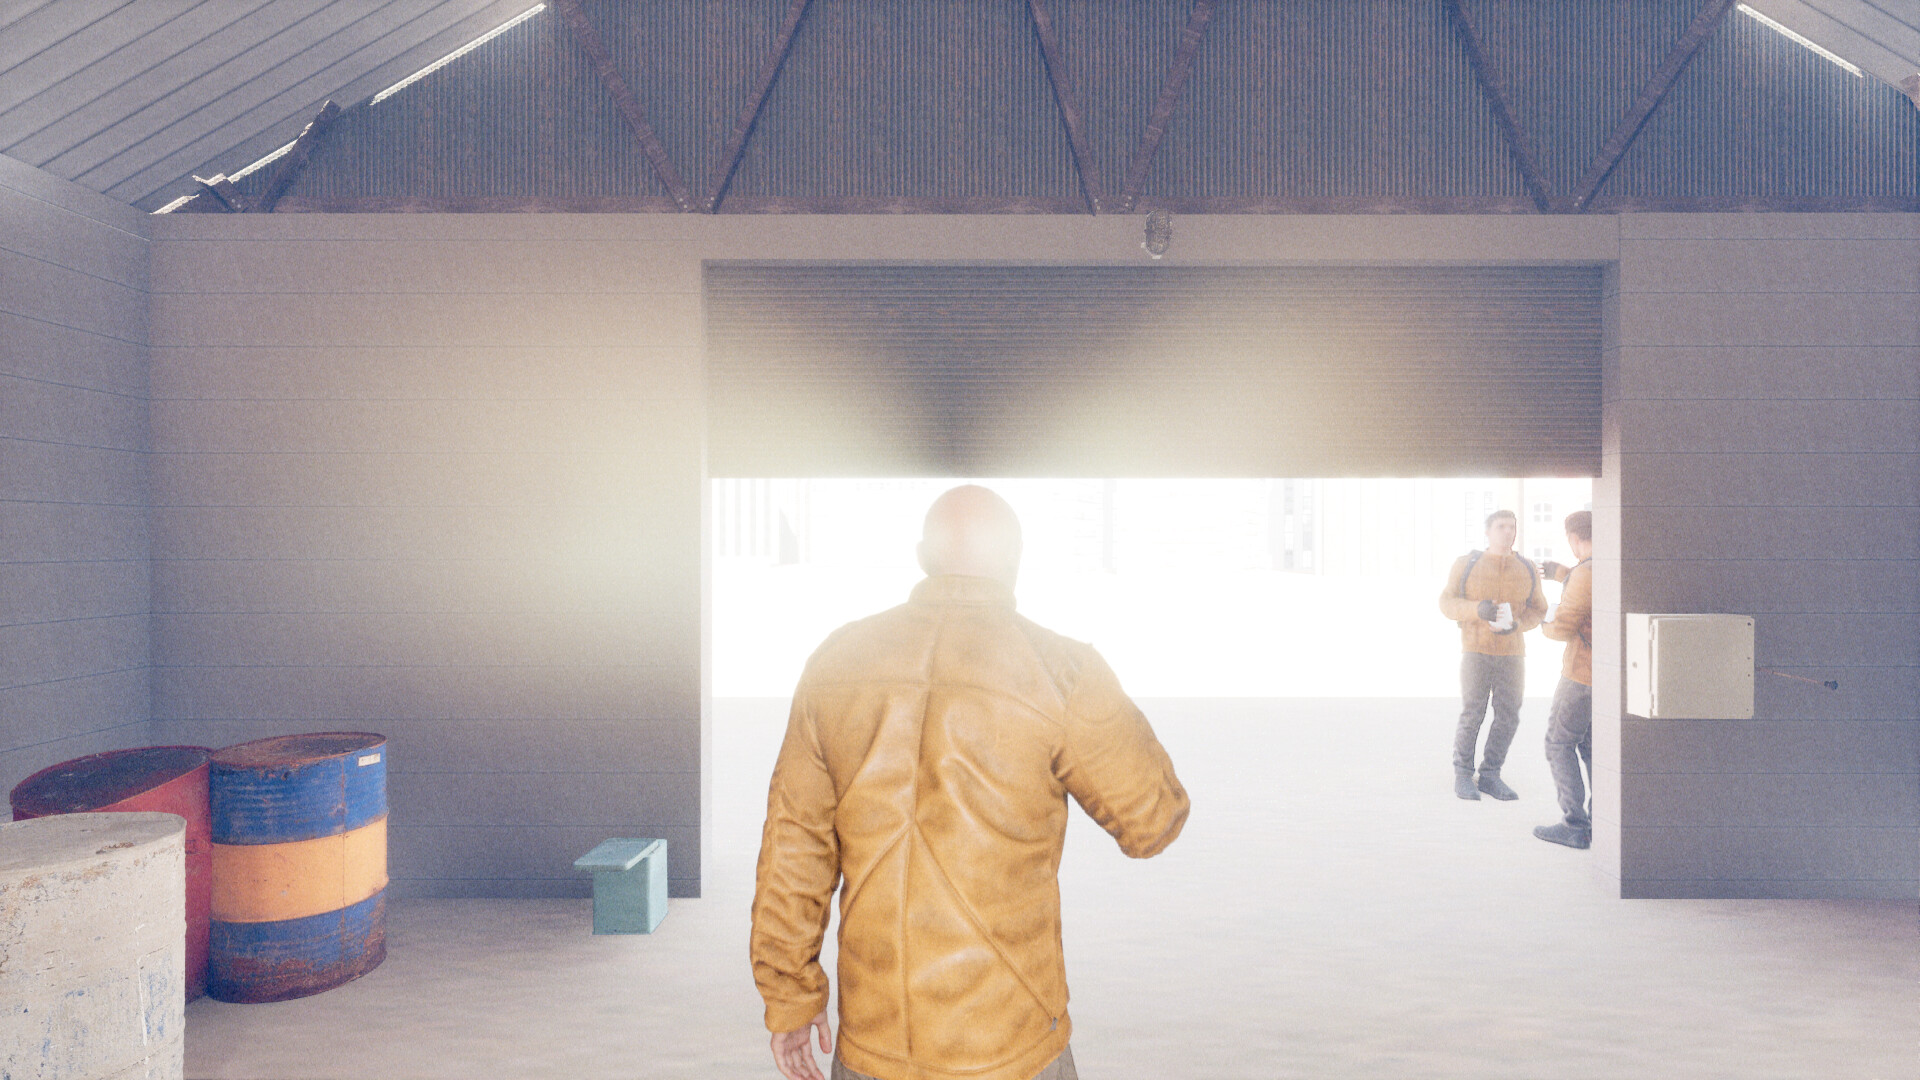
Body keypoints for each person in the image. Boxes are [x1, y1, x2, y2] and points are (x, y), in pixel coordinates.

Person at [751, 485, 1190, 1080]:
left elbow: (793, 846)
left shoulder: (836, 662)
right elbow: (1152, 823)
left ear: (921, 557)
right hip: (1011, 1045)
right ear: (1016, 557)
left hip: (875, 1048)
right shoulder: (1063, 670)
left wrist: (790, 999)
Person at [1437, 509, 1547, 801]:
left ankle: (1490, 775)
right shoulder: (1467, 564)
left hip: (1513, 653)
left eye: (1512, 527)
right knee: (1473, 712)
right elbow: (1446, 603)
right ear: (1487, 531)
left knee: (1508, 715)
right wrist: (1476, 609)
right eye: (1501, 526)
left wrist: (1518, 625)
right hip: (1476, 651)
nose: (1508, 532)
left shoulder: (1527, 567)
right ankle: (1463, 774)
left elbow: (1539, 609)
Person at [1534, 510, 1595, 848]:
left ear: (1574, 539)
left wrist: (1543, 623)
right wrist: (1562, 574)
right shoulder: (1611, 564)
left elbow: (1564, 627)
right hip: (1605, 676)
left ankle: (1575, 825)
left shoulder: (1585, 574)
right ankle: (1603, 821)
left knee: (1558, 743)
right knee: (1592, 747)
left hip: (1580, 674)